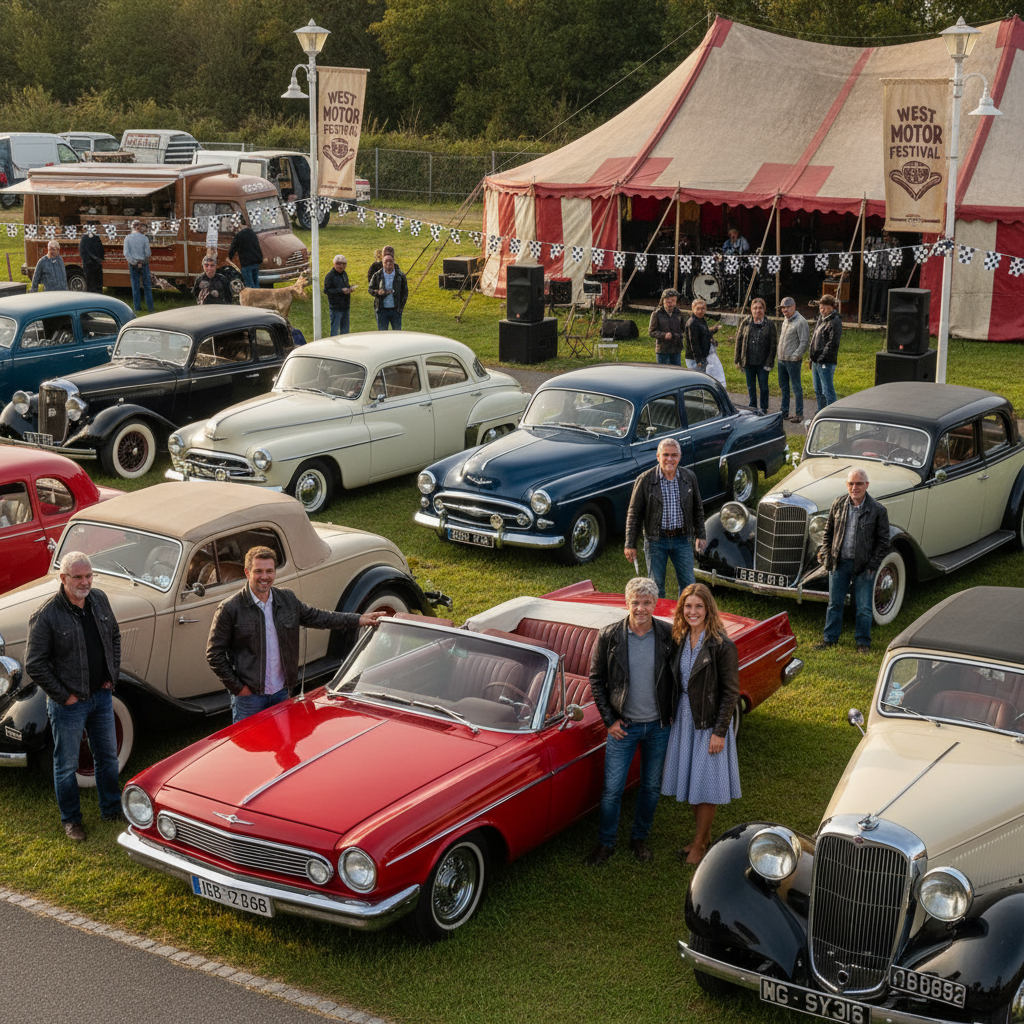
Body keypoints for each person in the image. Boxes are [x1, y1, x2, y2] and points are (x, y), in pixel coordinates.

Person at [207, 546, 388, 723]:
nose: (264, 577)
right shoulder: (230, 608)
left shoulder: (287, 600)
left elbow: (319, 617)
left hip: (282, 693)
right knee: (252, 749)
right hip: (249, 699)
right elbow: (214, 654)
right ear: (247, 572)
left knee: (285, 746)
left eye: (269, 571)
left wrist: (358, 619)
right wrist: (239, 689)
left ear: (275, 573)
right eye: (258, 571)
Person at [25, 552, 122, 840]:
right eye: (78, 577)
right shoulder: (46, 616)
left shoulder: (100, 599)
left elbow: (114, 636)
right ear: (63, 578)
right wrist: (64, 696)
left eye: (89, 575)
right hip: (69, 705)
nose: (85, 581)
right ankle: (71, 821)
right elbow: (34, 664)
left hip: (101, 697)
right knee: (66, 766)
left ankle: (113, 809)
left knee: (108, 757)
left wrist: (111, 676)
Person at [587, 576, 676, 865]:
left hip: (659, 727)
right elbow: (596, 679)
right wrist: (609, 720)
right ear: (626, 603)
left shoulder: (668, 636)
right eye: (635, 602)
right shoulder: (609, 636)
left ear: (655, 604)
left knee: (651, 787)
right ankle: (606, 843)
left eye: (646, 602)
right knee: (612, 790)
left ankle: (639, 839)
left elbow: (679, 677)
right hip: (623, 727)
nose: (640, 608)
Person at [661, 582, 740, 864]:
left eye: (698, 606)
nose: (693, 611)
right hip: (684, 718)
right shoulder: (681, 639)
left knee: (705, 786)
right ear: (682, 609)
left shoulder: (722, 645)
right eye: (688, 606)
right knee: (693, 781)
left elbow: (731, 693)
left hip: (708, 723)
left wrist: (719, 732)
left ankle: (701, 843)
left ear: (708, 609)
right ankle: (700, 838)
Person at [813, 468, 890, 654]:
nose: (854, 487)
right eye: (851, 483)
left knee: (863, 607)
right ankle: (829, 640)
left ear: (867, 485)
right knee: (834, 603)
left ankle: (863, 643)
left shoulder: (878, 510)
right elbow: (828, 533)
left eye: (859, 483)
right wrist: (827, 554)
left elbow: (883, 542)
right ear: (847, 485)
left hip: (864, 566)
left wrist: (872, 566)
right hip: (839, 563)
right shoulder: (838, 504)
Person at [624, 437, 706, 598]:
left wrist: (700, 534)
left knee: (689, 585)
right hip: (656, 540)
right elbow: (634, 513)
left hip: (682, 539)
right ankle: (659, 621)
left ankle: (685, 619)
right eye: (666, 454)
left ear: (680, 457)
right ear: (658, 457)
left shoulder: (689, 477)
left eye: (674, 455)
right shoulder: (645, 480)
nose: (670, 459)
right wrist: (630, 544)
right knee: (656, 586)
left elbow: (698, 508)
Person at [734, 297, 777, 415]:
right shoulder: (745, 322)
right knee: (751, 386)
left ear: (764, 309)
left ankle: (764, 407)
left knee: (763, 387)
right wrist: (737, 359)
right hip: (748, 361)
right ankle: (752, 405)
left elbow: (773, 345)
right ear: (751, 310)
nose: (758, 310)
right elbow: (739, 340)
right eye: (755, 308)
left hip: (763, 362)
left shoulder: (770, 324)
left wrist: (769, 363)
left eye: (760, 308)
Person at [777, 296, 809, 423]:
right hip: (781, 359)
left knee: (796, 387)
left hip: (793, 361)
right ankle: (784, 412)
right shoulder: (785, 320)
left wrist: (795, 356)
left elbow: (804, 342)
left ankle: (799, 414)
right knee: (784, 387)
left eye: (787, 307)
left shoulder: (801, 322)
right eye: (783, 308)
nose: (785, 310)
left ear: (794, 307)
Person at [808, 293, 842, 410]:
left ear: (831, 307)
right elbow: (814, 338)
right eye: (820, 307)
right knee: (818, 390)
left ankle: (832, 412)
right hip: (816, 360)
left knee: (827, 390)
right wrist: (811, 357)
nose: (821, 310)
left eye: (824, 307)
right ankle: (820, 411)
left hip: (826, 362)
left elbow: (832, 343)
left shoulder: (835, 321)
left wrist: (821, 358)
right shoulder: (821, 319)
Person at [368, 252, 408, 331]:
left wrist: (400, 308)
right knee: (382, 335)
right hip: (382, 310)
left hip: (395, 310)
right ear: (382, 263)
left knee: (397, 334)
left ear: (394, 262)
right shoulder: (377, 275)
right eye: (386, 261)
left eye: (390, 261)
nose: (388, 263)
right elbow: (370, 289)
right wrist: (378, 292)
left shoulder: (400, 276)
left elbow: (405, 292)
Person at [123, 220, 155, 313]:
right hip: (144, 263)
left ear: (132, 227)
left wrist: (133, 262)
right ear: (139, 227)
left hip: (133, 264)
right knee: (147, 287)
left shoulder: (127, 238)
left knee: (135, 287)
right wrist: (142, 261)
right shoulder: (144, 238)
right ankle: (151, 308)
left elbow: (126, 253)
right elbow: (148, 253)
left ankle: (137, 308)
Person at [648, 287, 685, 366]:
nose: (670, 303)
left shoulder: (679, 313)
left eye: (673, 301)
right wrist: (663, 335)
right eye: (667, 301)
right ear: (663, 300)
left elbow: (683, 329)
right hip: (662, 349)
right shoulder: (657, 314)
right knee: (663, 371)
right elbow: (651, 332)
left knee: (677, 371)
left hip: (676, 348)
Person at [324, 253, 356, 335]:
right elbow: (326, 290)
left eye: (343, 264)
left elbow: (345, 286)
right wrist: (341, 290)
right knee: (334, 331)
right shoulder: (330, 276)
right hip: (336, 308)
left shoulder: (344, 274)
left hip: (345, 306)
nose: (340, 266)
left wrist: (349, 289)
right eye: (338, 264)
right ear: (334, 264)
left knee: (345, 331)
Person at [683, 297, 718, 374]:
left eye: (703, 308)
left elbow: (704, 333)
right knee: (696, 380)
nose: (700, 311)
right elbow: (694, 343)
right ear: (693, 309)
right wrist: (698, 360)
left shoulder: (701, 319)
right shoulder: (692, 323)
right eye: (698, 308)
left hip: (702, 356)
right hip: (694, 359)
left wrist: (713, 333)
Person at [228, 224, 264, 289]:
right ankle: (259, 297)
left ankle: (253, 298)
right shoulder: (252, 233)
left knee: (250, 285)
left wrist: (229, 257)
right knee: (256, 282)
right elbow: (258, 247)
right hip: (256, 261)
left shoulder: (238, 236)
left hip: (246, 263)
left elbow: (232, 249)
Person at [78, 226, 106, 293]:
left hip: (88, 266)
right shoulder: (97, 238)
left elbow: (82, 252)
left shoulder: (84, 239)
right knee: (98, 285)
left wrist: (87, 261)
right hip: (96, 265)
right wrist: (99, 258)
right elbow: (102, 251)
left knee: (90, 286)